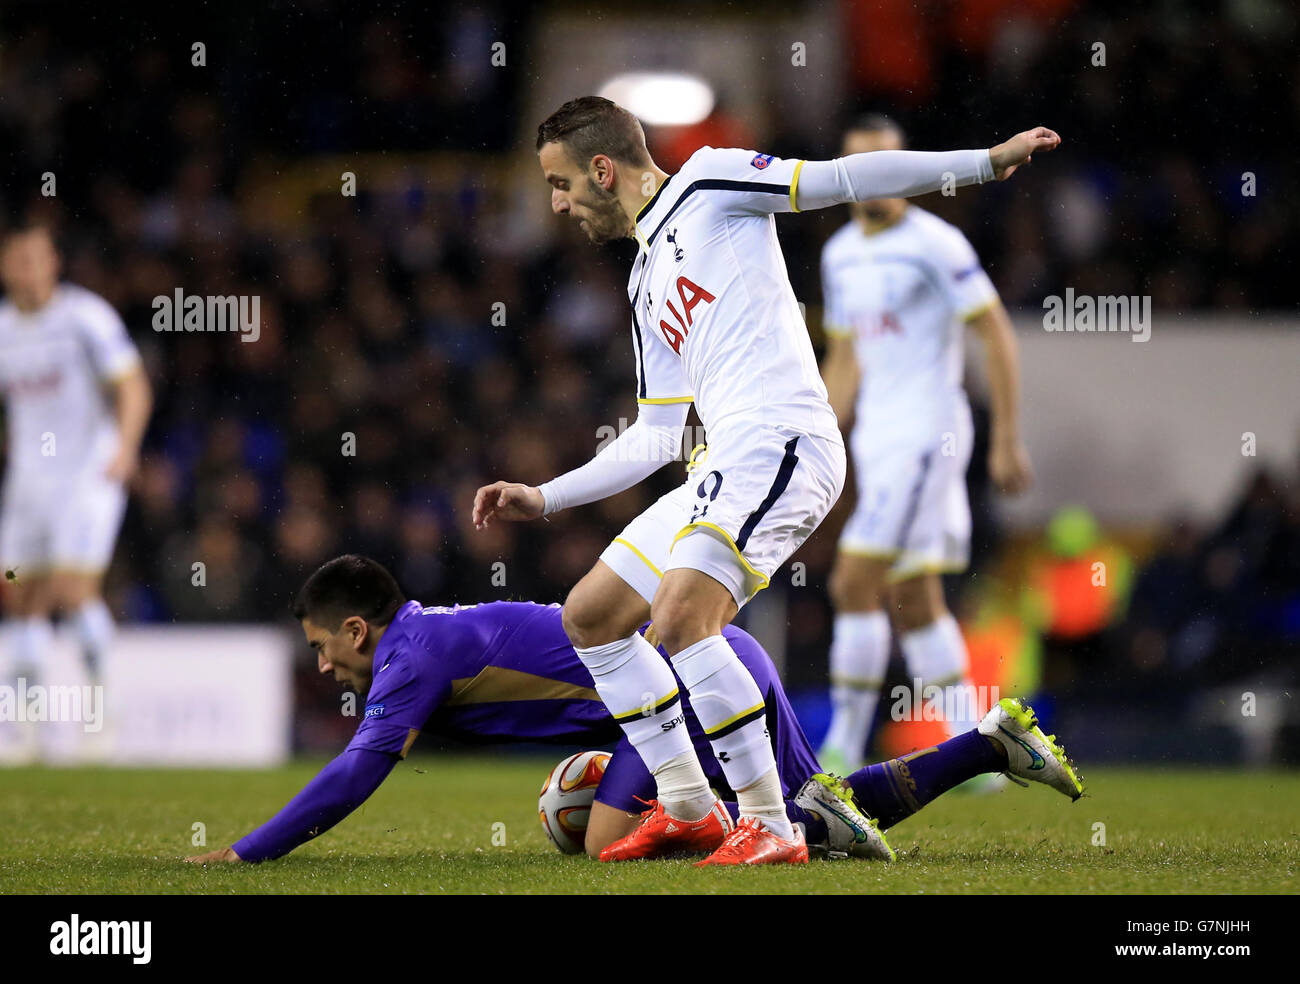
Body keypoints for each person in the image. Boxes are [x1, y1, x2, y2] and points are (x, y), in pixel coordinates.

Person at [472, 95, 1060, 863]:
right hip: (720, 459)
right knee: (592, 616)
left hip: (781, 439)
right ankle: (686, 804)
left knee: (683, 620)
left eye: (560, 182)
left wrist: (984, 162)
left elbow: (845, 178)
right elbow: (656, 436)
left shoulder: (710, 183)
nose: (558, 203)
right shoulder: (645, 275)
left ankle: (772, 827)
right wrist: (546, 496)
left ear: (603, 169)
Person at [184, 555, 1083, 866]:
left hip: (688, 682)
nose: (322, 662)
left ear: (353, 627)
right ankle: (987, 746)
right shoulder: (432, 640)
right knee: (823, 806)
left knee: (604, 833)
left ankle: (773, 835)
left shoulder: (408, 659)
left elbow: (353, 776)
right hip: (712, 666)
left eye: (319, 644)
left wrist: (251, 850)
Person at [817, 115, 1034, 774]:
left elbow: (995, 332)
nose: (872, 180)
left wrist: (1006, 440)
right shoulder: (838, 255)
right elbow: (846, 359)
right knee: (916, 599)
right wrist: (818, 437)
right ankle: (979, 750)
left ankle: (843, 749)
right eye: (860, 166)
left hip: (927, 437)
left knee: (852, 582)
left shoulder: (936, 243)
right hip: (879, 440)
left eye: (886, 164)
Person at [0, 222, 151, 692]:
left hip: (88, 472)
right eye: (17, 260)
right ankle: (25, 722)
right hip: (29, 479)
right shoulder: (2, 328)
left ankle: (102, 700)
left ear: (54, 263)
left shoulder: (86, 317)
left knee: (70, 589)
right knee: (19, 594)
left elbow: (132, 385)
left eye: (36, 259)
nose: (27, 270)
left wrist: (126, 447)